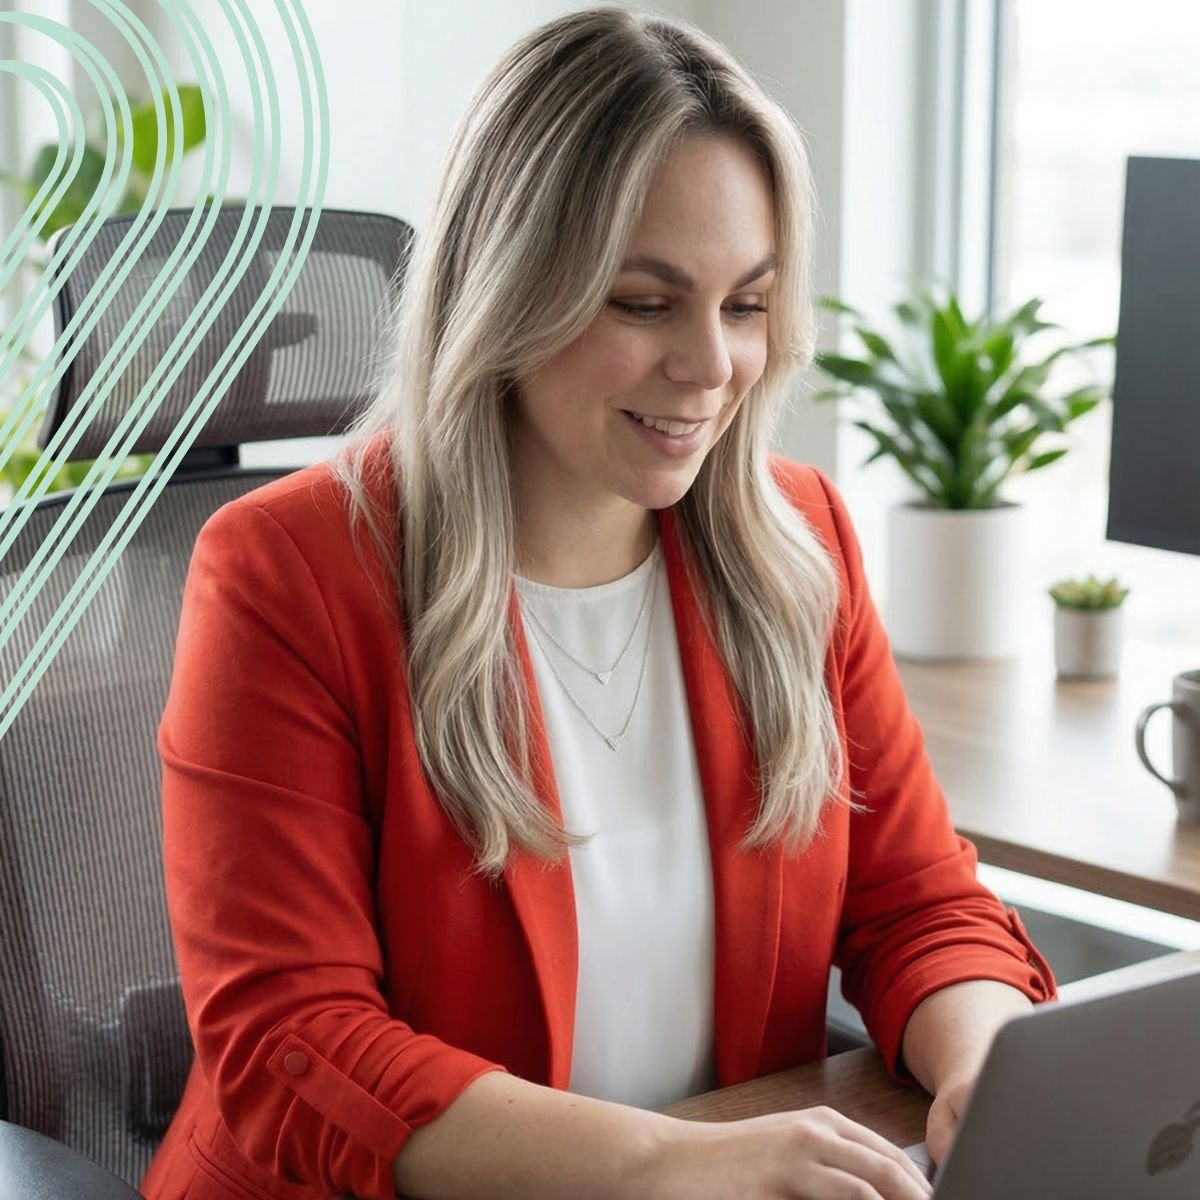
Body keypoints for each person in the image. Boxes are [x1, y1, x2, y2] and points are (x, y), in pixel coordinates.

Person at [139, 8, 1057, 1200]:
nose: (711, 365)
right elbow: (293, 1045)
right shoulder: (286, 574)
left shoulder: (797, 544)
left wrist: (988, 1060)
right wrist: (670, 1165)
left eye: (745, 305)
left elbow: (916, 901)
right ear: (508, 289)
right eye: (643, 302)